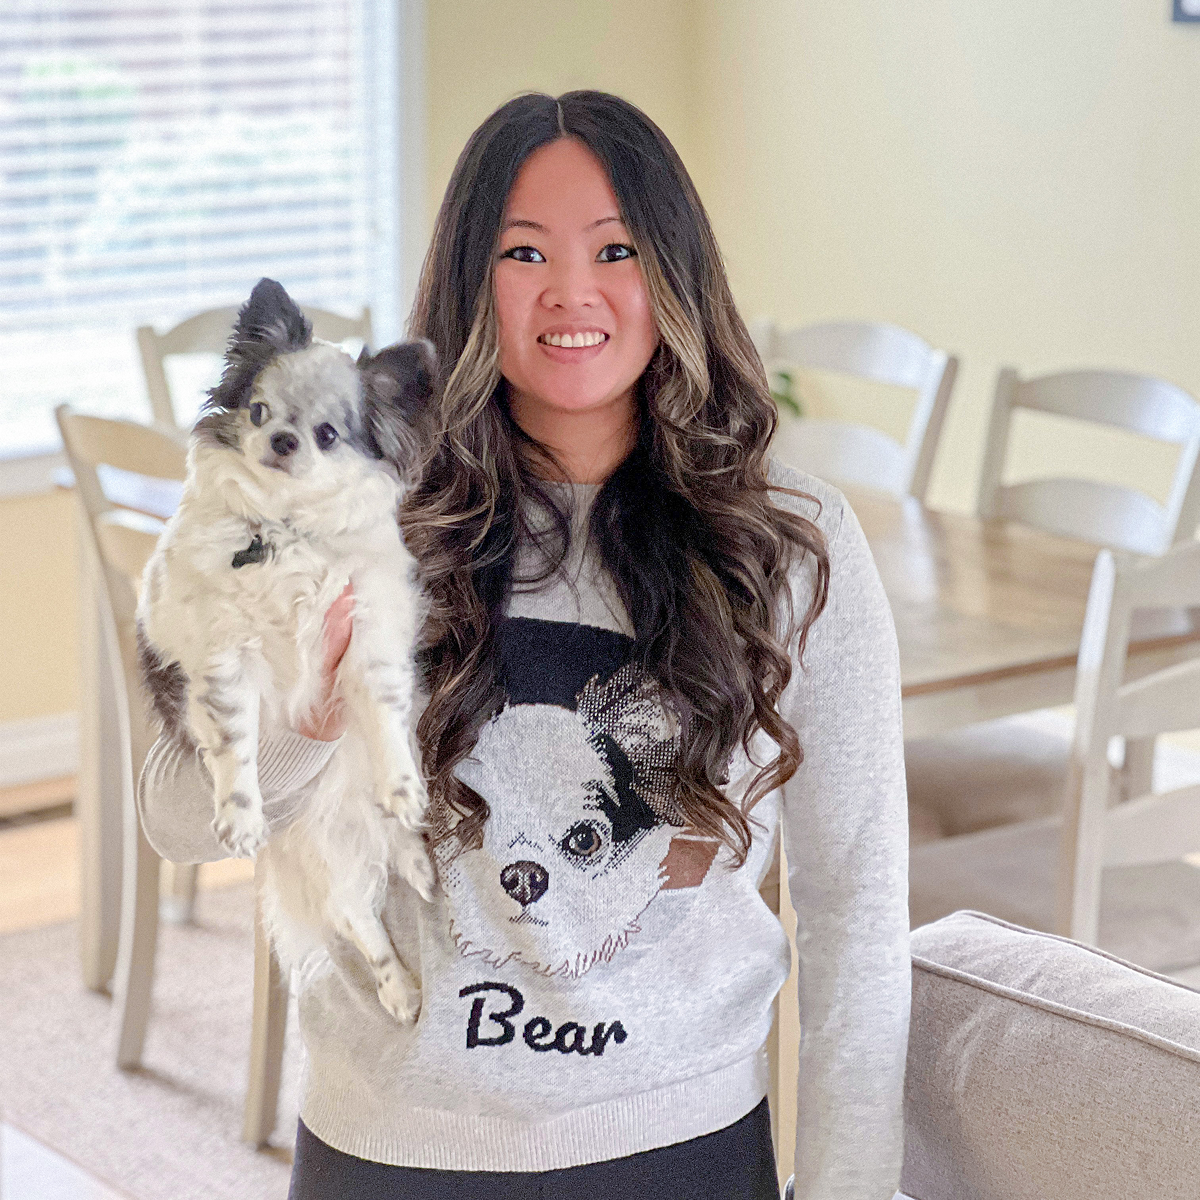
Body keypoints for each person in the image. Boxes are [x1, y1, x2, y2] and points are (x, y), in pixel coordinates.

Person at [138, 90, 909, 1200]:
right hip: (388, 1149)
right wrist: (307, 716)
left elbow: (857, 909)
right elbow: (174, 820)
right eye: (523, 251)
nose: (571, 291)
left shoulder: (790, 542)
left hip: (678, 1148)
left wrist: (851, 1188)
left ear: (677, 273)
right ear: (471, 279)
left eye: (615, 249)